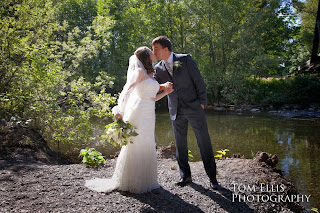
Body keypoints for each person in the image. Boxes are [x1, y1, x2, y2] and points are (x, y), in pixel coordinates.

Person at [85, 46, 173, 193]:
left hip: (149, 111)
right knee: (136, 143)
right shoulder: (139, 72)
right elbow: (127, 90)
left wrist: (165, 91)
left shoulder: (149, 73)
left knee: (147, 142)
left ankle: (146, 181)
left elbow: (151, 97)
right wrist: (119, 111)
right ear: (146, 56)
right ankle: (130, 181)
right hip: (138, 111)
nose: (154, 53)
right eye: (151, 52)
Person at [152, 36, 219, 189]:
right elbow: (154, 87)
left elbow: (199, 81)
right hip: (175, 110)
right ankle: (185, 176)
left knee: (204, 142)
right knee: (180, 145)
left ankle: (213, 178)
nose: (154, 51)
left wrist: (202, 103)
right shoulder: (158, 69)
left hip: (194, 107)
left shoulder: (184, 60)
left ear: (165, 49)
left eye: (156, 48)